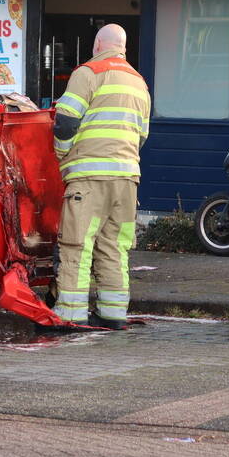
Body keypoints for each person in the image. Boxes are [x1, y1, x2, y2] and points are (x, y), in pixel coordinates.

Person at [51, 23, 150, 329]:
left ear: (97, 46)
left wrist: (62, 154)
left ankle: (70, 313)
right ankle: (113, 312)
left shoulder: (88, 72)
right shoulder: (139, 82)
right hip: (127, 179)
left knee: (77, 245)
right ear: (123, 48)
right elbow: (142, 136)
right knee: (114, 246)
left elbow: (65, 122)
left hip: (89, 177)